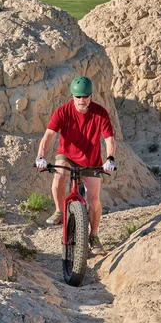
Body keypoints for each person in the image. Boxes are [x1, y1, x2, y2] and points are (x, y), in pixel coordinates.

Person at [35, 76, 116, 255]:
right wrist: (41, 156)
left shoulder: (100, 113)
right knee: (59, 176)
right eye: (78, 96)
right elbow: (49, 135)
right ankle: (59, 211)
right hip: (68, 156)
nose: (82, 100)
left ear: (91, 96)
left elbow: (109, 139)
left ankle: (93, 236)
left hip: (92, 161)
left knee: (94, 199)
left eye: (85, 96)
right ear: (72, 95)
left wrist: (110, 159)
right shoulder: (62, 112)